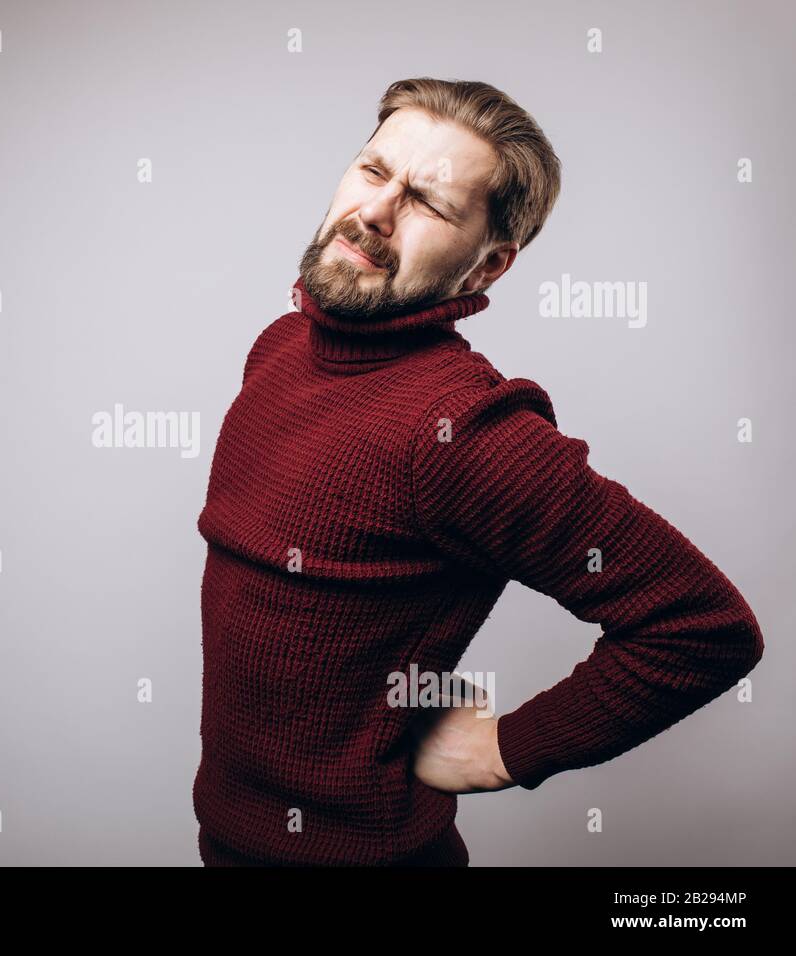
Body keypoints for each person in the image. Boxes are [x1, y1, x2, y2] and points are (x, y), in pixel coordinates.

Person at [192, 77, 764, 866]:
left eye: (427, 203)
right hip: (227, 844)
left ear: (488, 266)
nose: (375, 212)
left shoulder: (461, 432)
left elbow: (702, 627)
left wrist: (503, 750)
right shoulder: (279, 349)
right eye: (372, 170)